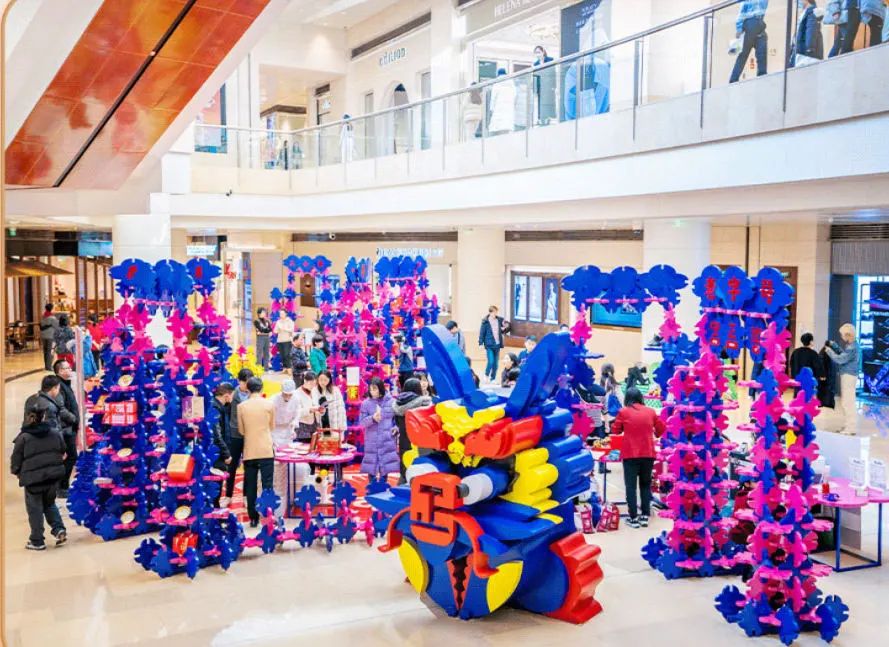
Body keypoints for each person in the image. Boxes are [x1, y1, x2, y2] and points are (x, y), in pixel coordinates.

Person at [11, 401, 68, 550]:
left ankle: (37, 541)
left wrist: (17, 472)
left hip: (33, 480)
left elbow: (16, 460)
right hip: (52, 477)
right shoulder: (54, 432)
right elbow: (63, 450)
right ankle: (58, 529)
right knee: (50, 504)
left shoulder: (23, 437)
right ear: (44, 416)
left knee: (35, 509)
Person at [611, 387, 665, 529]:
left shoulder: (623, 412)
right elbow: (661, 429)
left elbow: (615, 430)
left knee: (631, 487)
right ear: (640, 397)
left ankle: (633, 518)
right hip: (648, 453)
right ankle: (645, 516)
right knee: (645, 485)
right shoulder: (651, 412)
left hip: (630, 454)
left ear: (627, 398)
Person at [237, 377, 276, 527]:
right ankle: (269, 513)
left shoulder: (241, 406)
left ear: (248, 389)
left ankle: (253, 517)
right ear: (261, 388)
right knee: (267, 484)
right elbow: (272, 426)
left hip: (250, 450)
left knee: (251, 485)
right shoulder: (269, 404)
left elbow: (241, 430)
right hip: (266, 448)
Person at [392, 377, 433, 482]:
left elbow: (397, 423)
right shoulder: (425, 403)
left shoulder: (398, 404)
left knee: (404, 466)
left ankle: (402, 485)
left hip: (403, 440)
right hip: (420, 442)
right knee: (419, 468)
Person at [223, 368, 253, 506]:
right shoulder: (232, 395)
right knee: (232, 466)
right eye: (244, 382)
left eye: (249, 382)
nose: (246, 385)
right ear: (238, 381)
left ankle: (246, 496)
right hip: (234, 435)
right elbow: (226, 415)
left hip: (249, 435)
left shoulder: (254, 395)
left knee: (249, 466)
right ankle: (228, 495)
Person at [359, 377, 398, 478]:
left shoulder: (392, 402)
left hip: (387, 439)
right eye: (371, 389)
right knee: (371, 468)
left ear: (380, 388)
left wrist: (396, 428)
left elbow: (397, 420)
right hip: (372, 441)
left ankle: (384, 486)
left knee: (385, 469)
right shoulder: (366, 403)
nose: (372, 392)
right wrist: (372, 418)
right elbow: (362, 423)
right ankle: (371, 486)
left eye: (375, 389)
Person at [824, 323, 860, 434]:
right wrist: (834, 346)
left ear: (848, 335)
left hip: (849, 376)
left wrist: (829, 351)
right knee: (846, 401)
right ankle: (848, 425)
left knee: (848, 402)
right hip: (849, 375)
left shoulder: (852, 347)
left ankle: (851, 427)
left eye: (842, 335)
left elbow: (840, 359)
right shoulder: (852, 345)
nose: (841, 337)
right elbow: (843, 355)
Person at [271, 379, 299, 513]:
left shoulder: (296, 399)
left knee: (288, 460)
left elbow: (297, 414)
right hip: (275, 431)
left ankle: (289, 491)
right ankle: (276, 490)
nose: (288, 397)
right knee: (277, 462)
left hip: (288, 430)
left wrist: (294, 426)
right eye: (285, 394)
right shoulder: (273, 400)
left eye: (290, 394)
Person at [52, 360, 80, 495]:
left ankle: (63, 485)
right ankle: (62, 486)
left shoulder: (65, 384)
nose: (69, 370)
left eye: (69, 367)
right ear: (59, 371)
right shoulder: (59, 387)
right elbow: (61, 409)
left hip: (69, 427)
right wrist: (73, 419)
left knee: (70, 457)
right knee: (71, 456)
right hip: (66, 429)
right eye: (66, 368)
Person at [730, 0, 770, 84]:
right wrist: (739, 28)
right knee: (743, 54)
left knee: (761, 51)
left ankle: (762, 77)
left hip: (760, 23)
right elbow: (742, 12)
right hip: (750, 23)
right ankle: (733, 80)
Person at [210, 383, 234, 506]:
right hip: (215, 452)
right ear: (226, 396)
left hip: (215, 450)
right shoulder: (215, 409)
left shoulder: (219, 407)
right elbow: (217, 435)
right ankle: (214, 509)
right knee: (215, 482)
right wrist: (226, 453)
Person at [479, 305, 509, 383]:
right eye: (494, 312)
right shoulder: (485, 322)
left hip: (497, 344)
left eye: (496, 312)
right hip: (489, 345)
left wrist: (504, 328)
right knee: (491, 361)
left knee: (496, 363)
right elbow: (482, 333)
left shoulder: (499, 320)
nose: (495, 314)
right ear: (490, 312)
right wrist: (480, 343)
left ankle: (493, 378)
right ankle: (486, 375)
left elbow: (504, 329)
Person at [533, 45, 556, 125]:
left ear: (543, 52)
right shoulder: (536, 64)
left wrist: (554, 85)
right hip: (541, 87)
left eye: (539, 52)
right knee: (541, 103)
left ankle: (549, 118)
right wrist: (535, 89)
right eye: (536, 53)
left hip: (549, 86)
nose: (537, 54)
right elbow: (535, 77)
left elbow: (553, 73)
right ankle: (541, 119)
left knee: (549, 102)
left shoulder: (550, 60)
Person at [488, 69, 516, 134]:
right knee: (507, 125)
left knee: (498, 126)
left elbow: (493, 97)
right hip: (509, 107)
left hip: (499, 106)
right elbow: (514, 95)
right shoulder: (511, 83)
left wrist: (491, 109)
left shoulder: (497, 83)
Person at [295, 371, 320, 441]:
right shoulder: (296, 394)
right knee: (304, 445)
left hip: (315, 424)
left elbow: (316, 405)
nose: (313, 386)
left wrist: (320, 410)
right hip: (302, 426)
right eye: (311, 383)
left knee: (315, 445)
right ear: (305, 381)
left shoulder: (314, 391)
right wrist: (309, 410)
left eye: (315, 384)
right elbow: (296, 413)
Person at [39, 304, 59, 371]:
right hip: (51, 337)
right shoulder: (52, 318)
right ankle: (49, 367)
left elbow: (41, 326)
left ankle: (46, 366)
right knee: (50, 351)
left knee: (45, 351)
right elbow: (57, 327)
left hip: (43, 336)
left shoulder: (43, 316)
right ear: (51, 309)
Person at [819, 340, 837, 408]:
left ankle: (828, 403)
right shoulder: (824, 351)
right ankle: (826, 403)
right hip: (827, 374)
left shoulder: (828, 351)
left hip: (830, 374)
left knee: (829, 389)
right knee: (826, 388)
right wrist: (822, 374)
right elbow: (821, 363)